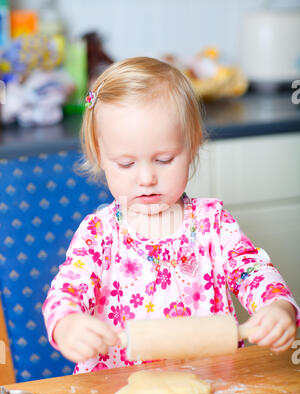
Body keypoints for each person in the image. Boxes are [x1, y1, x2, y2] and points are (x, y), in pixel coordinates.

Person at [42, 57, 299, 374]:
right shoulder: (98, 235)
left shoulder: (212, 225)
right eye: (126, 163)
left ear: (192, 147)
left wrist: (278, 307)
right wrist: (66, 324)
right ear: (101, 157)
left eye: (164, 159)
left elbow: (253, 271)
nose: (147, 177)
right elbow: (66, 291)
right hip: (115, 392)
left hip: (214, 387)